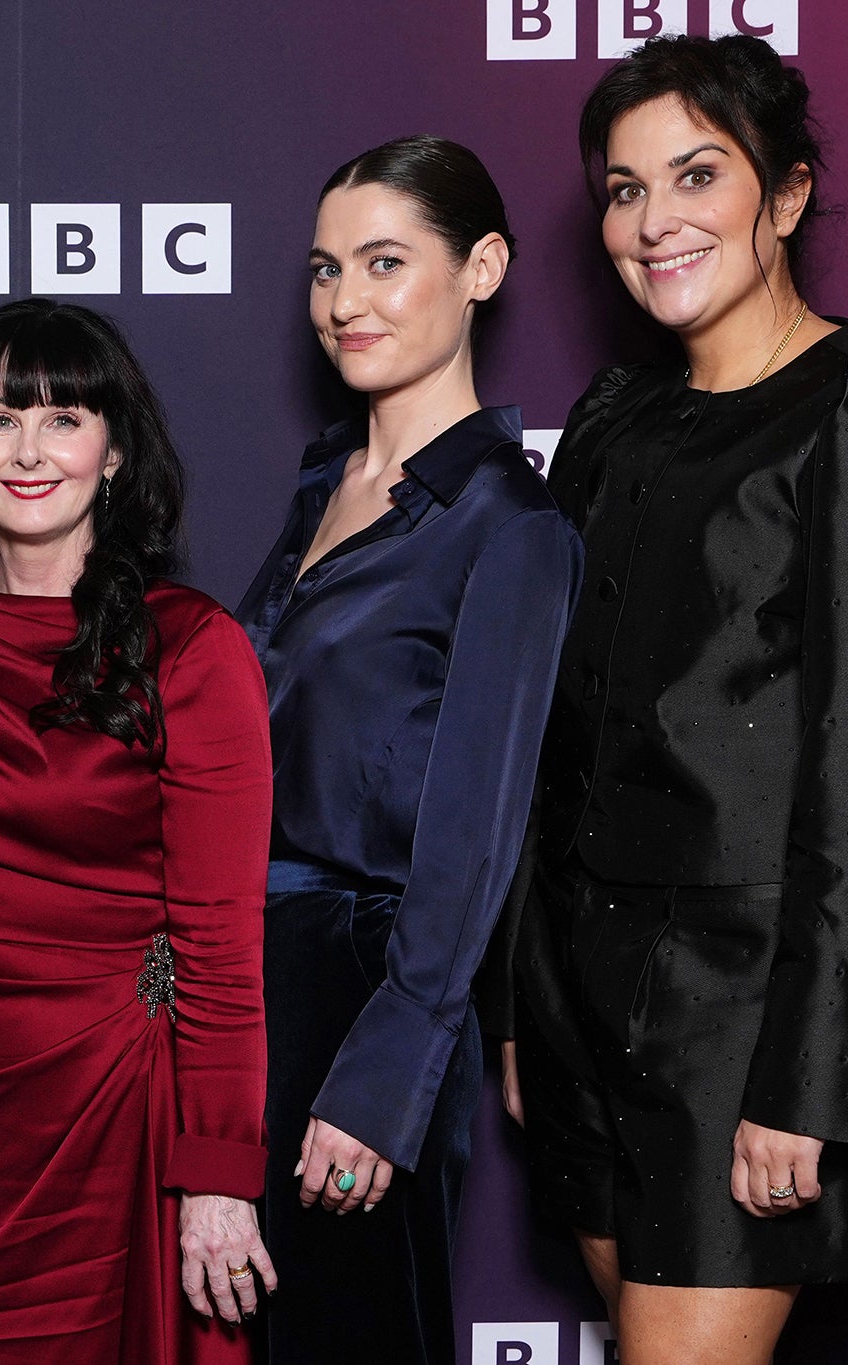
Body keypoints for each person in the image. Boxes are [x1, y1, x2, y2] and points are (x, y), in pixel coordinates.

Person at [488, 35, 848, 1365]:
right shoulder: (614, 421)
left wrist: (812, 1074)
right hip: (578, 1001)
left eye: (695, 176)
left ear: (785, 197)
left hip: (744, 1014)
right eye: (621, 188)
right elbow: (553, 732)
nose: (653, 221)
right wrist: (518, 1002)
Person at [0, 298, 277, 1362]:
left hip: (113, 1115)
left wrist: (218, 1182)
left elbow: (224, 951)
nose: (30, 450)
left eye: (64, 419)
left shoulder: (189, 651)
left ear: (113, 451)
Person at [232, 137, 582, 1363]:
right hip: (247, 992)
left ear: (480, 267)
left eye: (385, 263)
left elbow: (476, 837)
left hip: (361, 999)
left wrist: (388, 1074)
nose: (344, 302)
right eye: (326, 269)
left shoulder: (510, 525)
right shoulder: (324, 481)